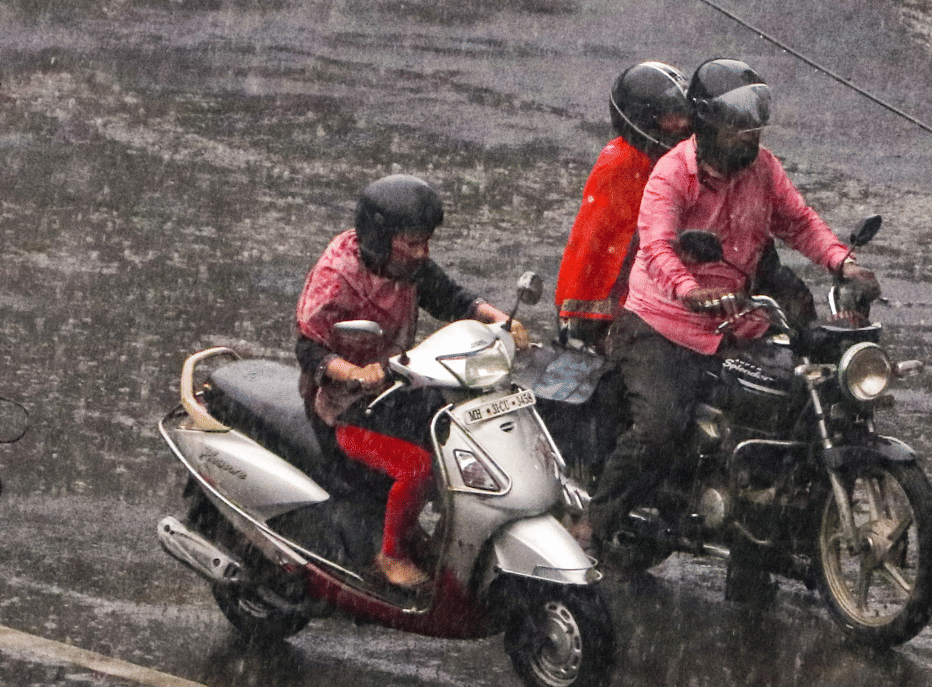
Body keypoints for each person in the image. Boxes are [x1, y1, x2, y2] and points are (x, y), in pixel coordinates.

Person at [585, 58, 881, 553]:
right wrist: (688, 289)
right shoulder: (671, 174)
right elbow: (657, 247)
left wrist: (842, 263)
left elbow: (799, 222)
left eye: (753, 126)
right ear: (704, 123)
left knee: (788, 406)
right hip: (664, 326)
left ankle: (759, 542)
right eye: (737, 125)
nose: (749, 136)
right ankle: (592, 528)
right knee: (660, 428)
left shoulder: (763, 169)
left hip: (738, 321)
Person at [295, 173, 528, 588]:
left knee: (461, 431)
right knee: (417, 467)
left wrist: (498, 320)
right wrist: (353, 372)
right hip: (344, 406)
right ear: (382, 238)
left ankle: (433, 531)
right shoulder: (338, 277)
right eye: (414, 242)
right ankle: (390, 555)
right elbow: (309, 349)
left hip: (394, 384)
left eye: (427, 241)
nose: (423, 252)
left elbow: (450, 297)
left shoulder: (405, 263)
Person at [554, 61, 693, 353]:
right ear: (642, 119)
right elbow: (596, 247)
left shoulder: (661, 162)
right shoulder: (622, 164)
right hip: (605, 316)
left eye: (684, 116)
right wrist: (580, 320)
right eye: (671, 118)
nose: (683, 125)